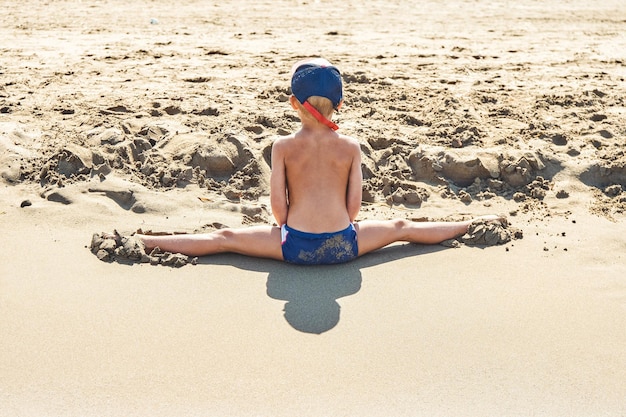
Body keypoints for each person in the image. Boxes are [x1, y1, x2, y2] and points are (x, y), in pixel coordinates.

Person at [136, 58, 502, 265]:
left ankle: (148, 244)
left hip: (295, 247)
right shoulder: (351, 146)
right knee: (401, 227)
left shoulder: (281, 146)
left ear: (294, 103)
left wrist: (290, 226)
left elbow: (279, 213)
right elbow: (354, 211)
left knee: (224, 238)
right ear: (339, 105)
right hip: (344, 247)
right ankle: (472, 223)